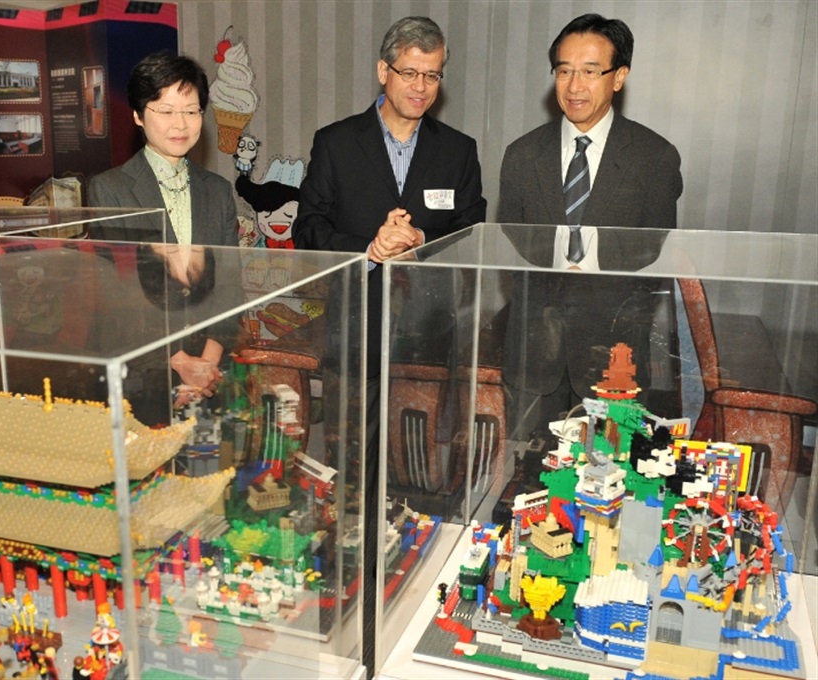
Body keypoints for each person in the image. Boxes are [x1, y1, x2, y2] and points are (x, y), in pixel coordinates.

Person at [292, 16, 486, 675]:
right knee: (350, 458)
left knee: (421, 462)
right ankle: (345, 591)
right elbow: (308, 231)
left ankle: (417, 596)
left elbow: (472, 235)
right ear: (383, 71)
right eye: (409, 72)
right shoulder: (337, 143)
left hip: (429, 338)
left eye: (433, 75)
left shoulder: (457, 151)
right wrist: (369, 248)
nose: (421, 86)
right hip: (352, 329)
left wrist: (419, 245)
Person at [497, 13, 683, 437]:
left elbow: (653, 245)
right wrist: (560, 256)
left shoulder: (654, 157)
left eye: (590, 71)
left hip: (614, 353)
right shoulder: (521, 155)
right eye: (564, 71)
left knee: (607, 481)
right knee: (532, 477)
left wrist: (587, 260)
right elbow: (511, 232)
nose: (574, 85)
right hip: (535, 353)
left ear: (619, 77)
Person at [88, 52, 239, 411]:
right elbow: (121, 291)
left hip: (211, 369)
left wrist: (209, 361)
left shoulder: (217, 190)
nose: (180, 124)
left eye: (191, 110)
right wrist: (181, 360)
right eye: (166, 110)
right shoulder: (110, 189)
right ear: (139, 116)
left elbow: (231, 284)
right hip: (147, 366)